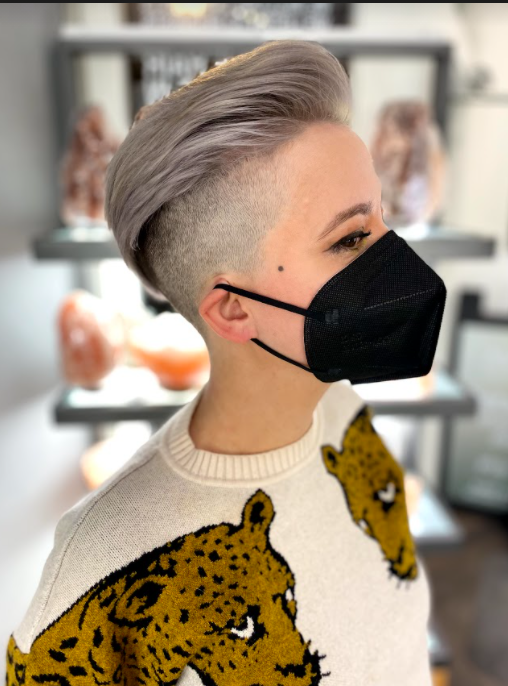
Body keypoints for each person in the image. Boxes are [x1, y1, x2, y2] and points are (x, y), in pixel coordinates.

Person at [5, 39, 446, 685]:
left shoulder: (345, 419)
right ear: (234, 310)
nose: (395, 257)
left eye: (379, 219)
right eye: (350, 237)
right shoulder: (105, 560)